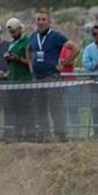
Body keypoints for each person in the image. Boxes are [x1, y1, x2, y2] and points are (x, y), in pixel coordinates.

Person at [27, 10, 68, 141]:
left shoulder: (56, 36)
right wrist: (30, 66)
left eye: (43, 19)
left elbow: (74, 48)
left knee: (56, 107)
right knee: (40, 107)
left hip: (51, 76)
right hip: (37, 77)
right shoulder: (33, 36)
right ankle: (44, 135)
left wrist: (63, 63)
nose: (41, 22)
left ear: (49, 22)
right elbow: (28, 49)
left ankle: (60, 134)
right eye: (38, 19)